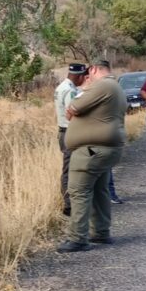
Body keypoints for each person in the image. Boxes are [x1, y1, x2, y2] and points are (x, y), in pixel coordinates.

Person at [58, 60, 126, 252]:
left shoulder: (103, 85)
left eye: (88, 73)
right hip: (103, 149)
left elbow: (74, 107)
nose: (87, 77)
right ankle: (101, 232)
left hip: (91, 150)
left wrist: (87, 87)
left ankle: (78, 238)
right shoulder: (115, 87)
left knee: (78, 191)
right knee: (99, 190)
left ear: (95, 69)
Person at [54, 63, 88, 216]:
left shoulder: (62, 86)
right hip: (69, 132)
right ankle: (69, 205)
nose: (84, 80)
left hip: (64, 131)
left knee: (70, 167)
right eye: (83, 77)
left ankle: (70, 202)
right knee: (69, 170)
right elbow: (73, 112)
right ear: (78, 76)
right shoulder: (70, 90)